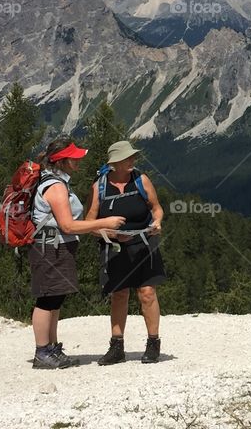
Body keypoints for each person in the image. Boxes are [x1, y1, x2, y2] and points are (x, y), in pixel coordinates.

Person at [29, 137, 126, 369]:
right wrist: (104, 222)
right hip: (52, 247)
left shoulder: (53, 181)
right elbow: (68, 225)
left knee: (55, 296)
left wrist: (96, 227)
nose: (78, 161)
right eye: (73, 158)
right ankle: (42, 351)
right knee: (47, 298)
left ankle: (51, 348)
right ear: (62, 161)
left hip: (54, 245)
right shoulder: (56, 186)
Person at [86, 140, 167, 365]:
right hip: (114, 247)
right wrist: (111, 234)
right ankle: (117, 346)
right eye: (127, 158)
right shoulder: (99, 187)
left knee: (147, 292)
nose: (133, 160)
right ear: (115, 163)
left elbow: (156, 207)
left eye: (132, 157)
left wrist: (158, 221)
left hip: (143, 243)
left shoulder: (141, 180)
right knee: (119, 294)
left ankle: (153, 344)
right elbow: (89, 223)